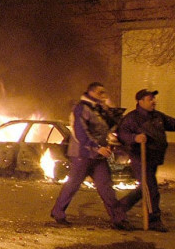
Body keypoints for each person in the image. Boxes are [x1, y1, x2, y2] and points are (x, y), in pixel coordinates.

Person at [117, 89, 175, 232]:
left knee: (144, 189)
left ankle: (118, 209)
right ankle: (154, 220)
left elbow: (173, 124)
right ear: (140, 101)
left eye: (153, 99)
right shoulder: (132, 118)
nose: (154, 101)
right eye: (150, 99)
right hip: (140, 158)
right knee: (151, 189)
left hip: (154, 158)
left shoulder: (157, 116)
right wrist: (135, 138)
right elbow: (122, 134)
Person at [50, 82, 131, 230]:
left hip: (98, 157)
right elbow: (80, 133)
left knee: (106, 186)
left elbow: (109, 127)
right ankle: (58, 212)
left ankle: (119, 219)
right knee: (73, 185)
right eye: (100, 93)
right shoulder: (81, 108)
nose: (104, 96)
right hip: (82, 155)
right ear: (91, 92)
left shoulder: (99, 109)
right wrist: (97, 147)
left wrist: (111, 112)